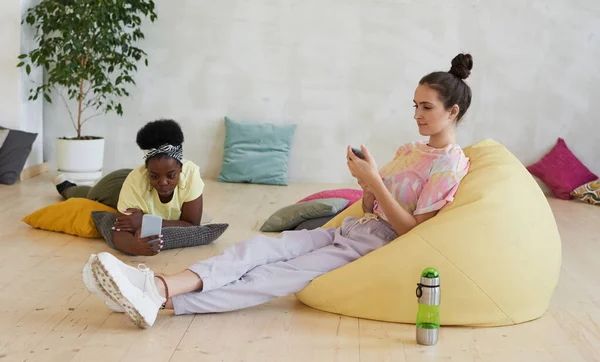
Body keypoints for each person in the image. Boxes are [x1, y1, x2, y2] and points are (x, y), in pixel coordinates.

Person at [82, 53, 474, 329]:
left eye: (426, 107)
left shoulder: (450, 164)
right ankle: (153, 289)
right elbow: (375, 205)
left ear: (452, 112)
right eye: (415, 106)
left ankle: (158, 293)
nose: (417, 115)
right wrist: (367, 184)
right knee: (256, 249)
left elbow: (411, 230)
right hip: (352, 229)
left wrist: (374, 183)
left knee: (271, 275)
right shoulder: (411, 151)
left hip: (376, 244)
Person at [58, 119, 205, 256]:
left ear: (181, 168)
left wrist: (144, 223)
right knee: (89, 193)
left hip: (137, 189)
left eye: (171, 175)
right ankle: (65, 187)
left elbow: (192, 225)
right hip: (114, 185)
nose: (163, 182)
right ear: (147, 169)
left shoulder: (191, 173)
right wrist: (135, 247)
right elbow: (120, 230)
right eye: (154, 176)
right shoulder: (135, 182)